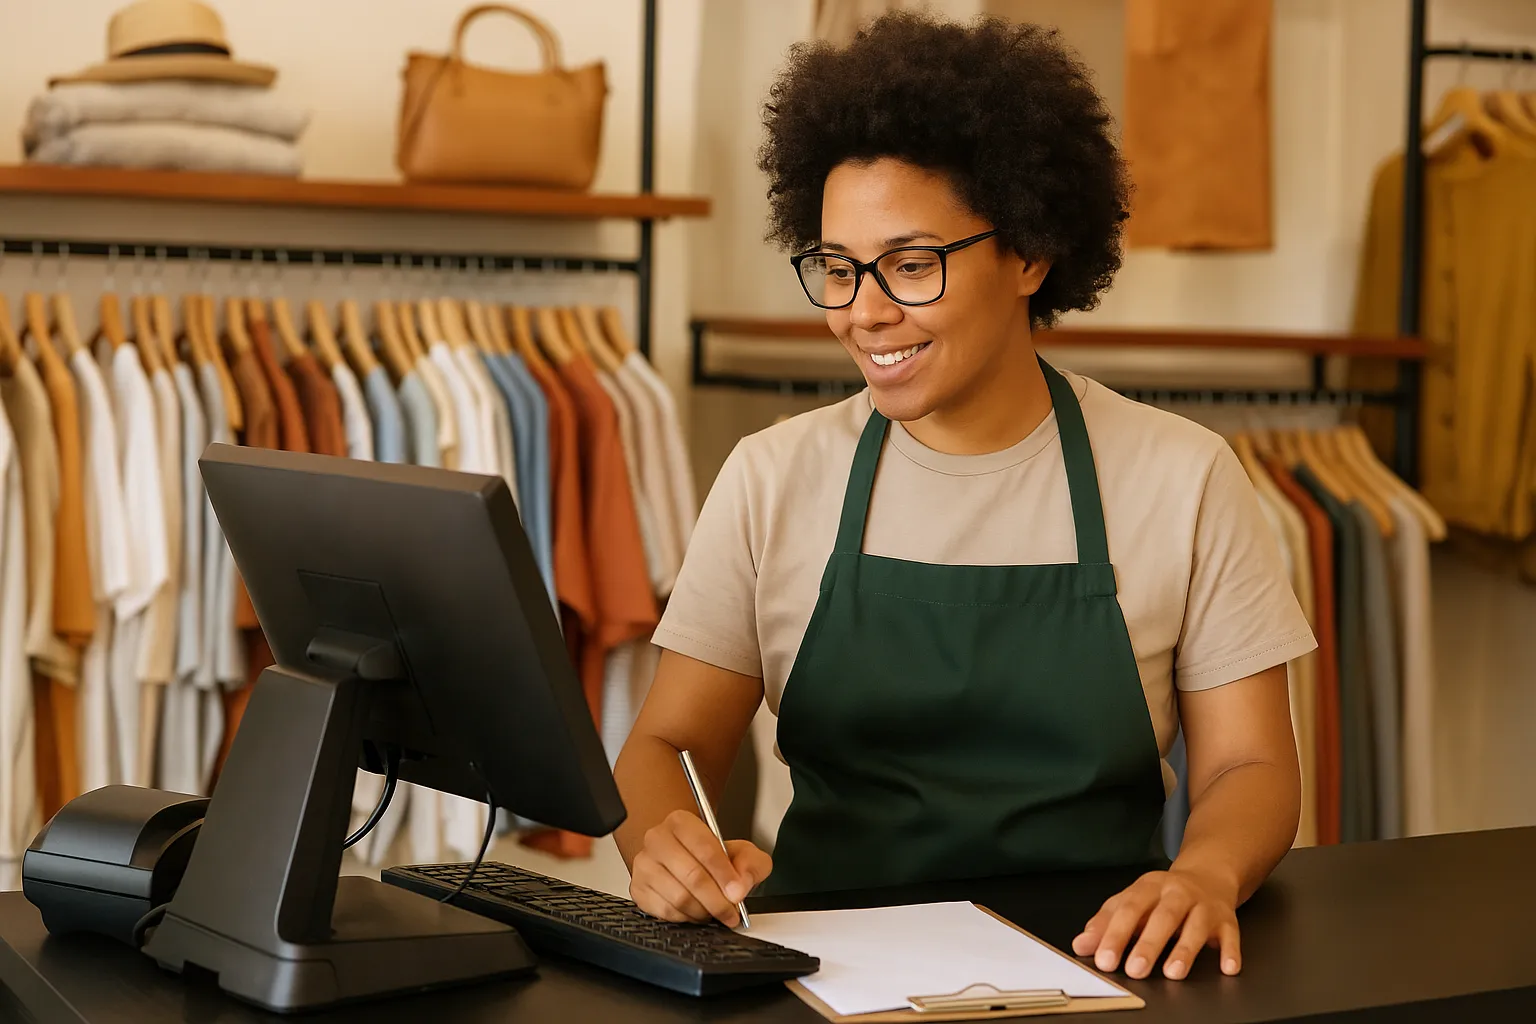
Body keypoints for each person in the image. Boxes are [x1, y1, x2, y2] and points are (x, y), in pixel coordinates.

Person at [613, 11, 1314, 984]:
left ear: (1029, 253)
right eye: (838, 268)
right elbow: (666, 740)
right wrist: (665, 841)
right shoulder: (771, 479)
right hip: (819, 971)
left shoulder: (1182, 477)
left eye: (909, 264)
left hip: (1107, 962)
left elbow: (1252, 767)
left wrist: (1203, 872)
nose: (864, 310)